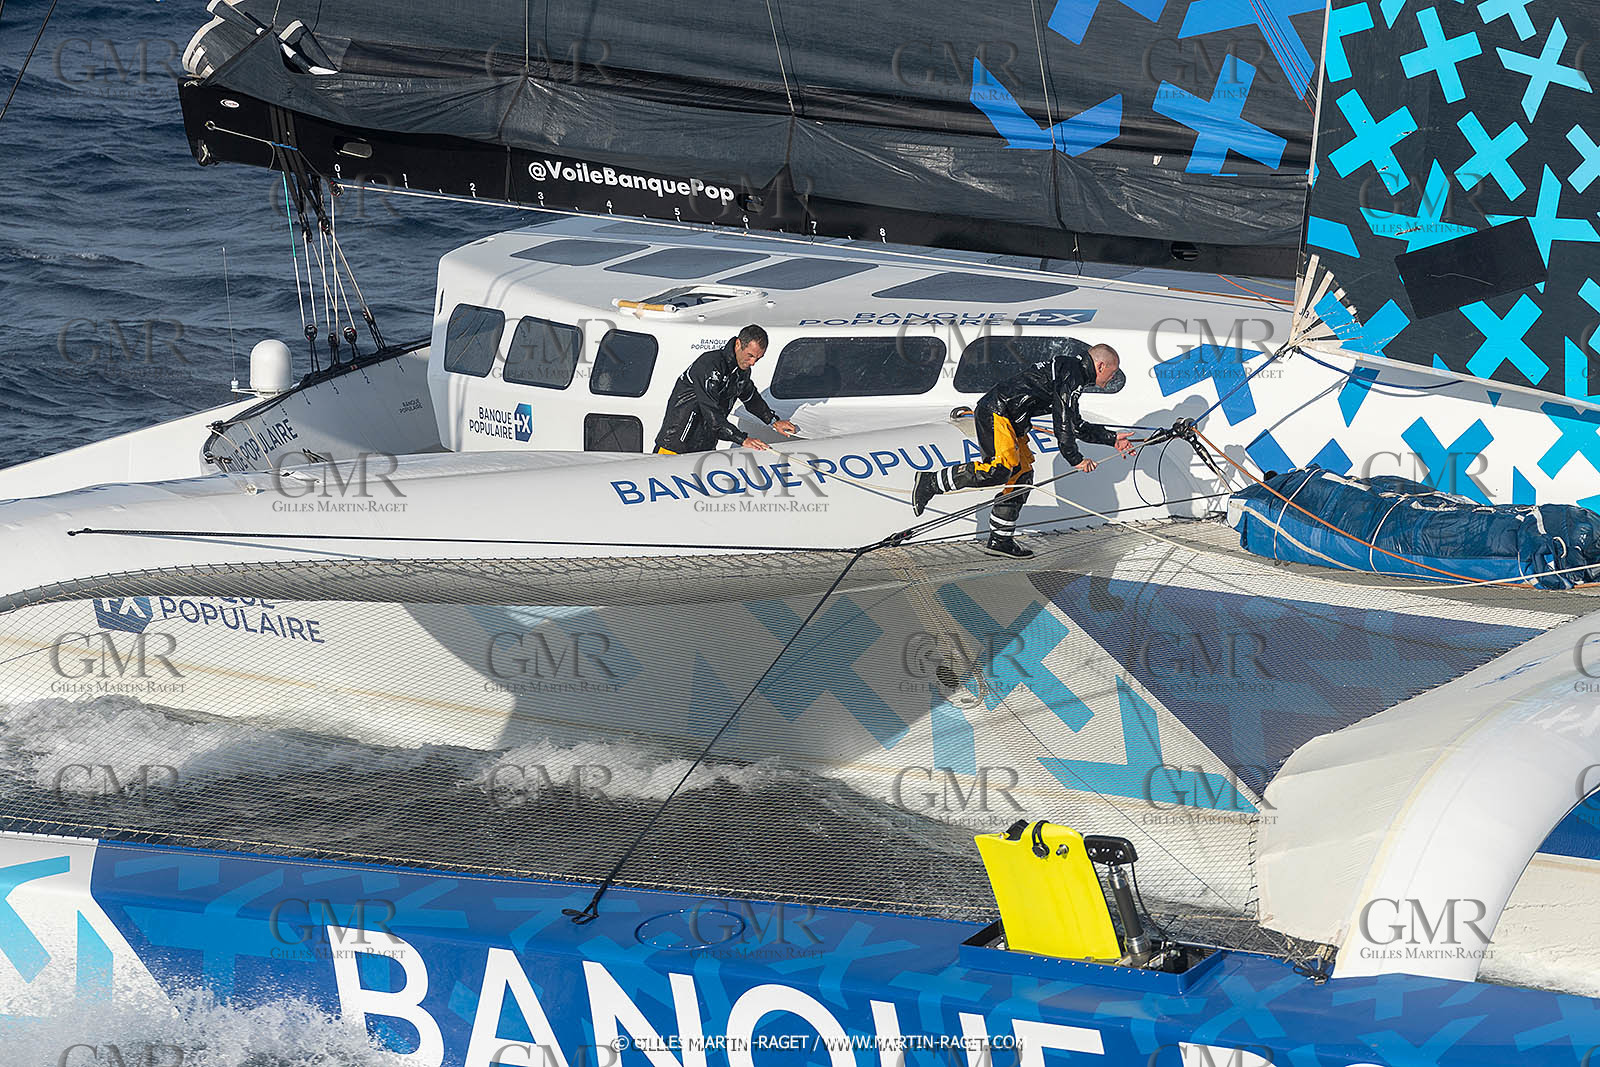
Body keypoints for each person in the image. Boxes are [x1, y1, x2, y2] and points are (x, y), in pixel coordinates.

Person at [910, 339, 1134, 558]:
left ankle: (1000, 540)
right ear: (1100, 366)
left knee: (1022, 476)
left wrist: (1111, 438)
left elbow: (1075, 424)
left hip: (1013, 421)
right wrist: (1074, 458)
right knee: (998, 469)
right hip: (997, 412)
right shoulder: (1072, 374)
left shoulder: (1072, 372)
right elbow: (1063, 422)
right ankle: (930, 482)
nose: (1113, 377)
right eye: (1113, 372)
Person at [654, 324, 799, 454]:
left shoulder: (741, 370)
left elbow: (751, 397)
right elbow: (712, 413)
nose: (753, 363)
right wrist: (742, 439)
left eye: (758, 358)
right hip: (675, 446)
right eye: (750, 356)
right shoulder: (710, 365)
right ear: (738, 344)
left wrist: (773, 421)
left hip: (704, 447)